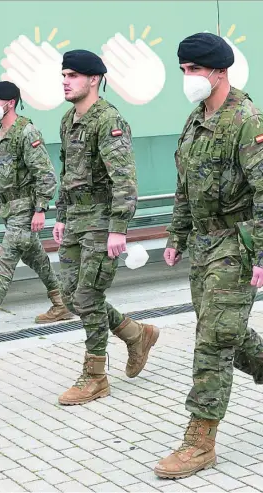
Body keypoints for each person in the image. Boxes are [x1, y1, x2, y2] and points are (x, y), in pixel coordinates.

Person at [155, 33, 263, 479]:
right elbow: (186, 186)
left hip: (237, 244)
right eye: (183, 71)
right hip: (203, 245)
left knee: (213, 340)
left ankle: (200, 439)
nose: (189, 78)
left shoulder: (247, 120)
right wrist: (176, 236)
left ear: (220, 71)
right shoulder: (195, 120)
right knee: (225, 331)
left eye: (195, 70)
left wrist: (260, 254)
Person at [54, 50, 160, 406]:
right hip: (75, 221)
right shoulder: (68, 120)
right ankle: (135, 334)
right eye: (64, 75)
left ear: (93, 79)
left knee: (87, 298)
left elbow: (124, 179)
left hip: (101, 222)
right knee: (71, 297)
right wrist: (60, 215)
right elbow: (67, 172)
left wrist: (118, 228)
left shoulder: (108, 120)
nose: (65, 81)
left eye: (73, 75)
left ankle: (95, 376)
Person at [0, 81, 72, 337]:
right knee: (37, 259)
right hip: (9, 209)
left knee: (5, 260)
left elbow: (46, 175)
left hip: (26, 209)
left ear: (10, 103)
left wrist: (41, 209)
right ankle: (61, 302)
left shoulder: (26, 132)